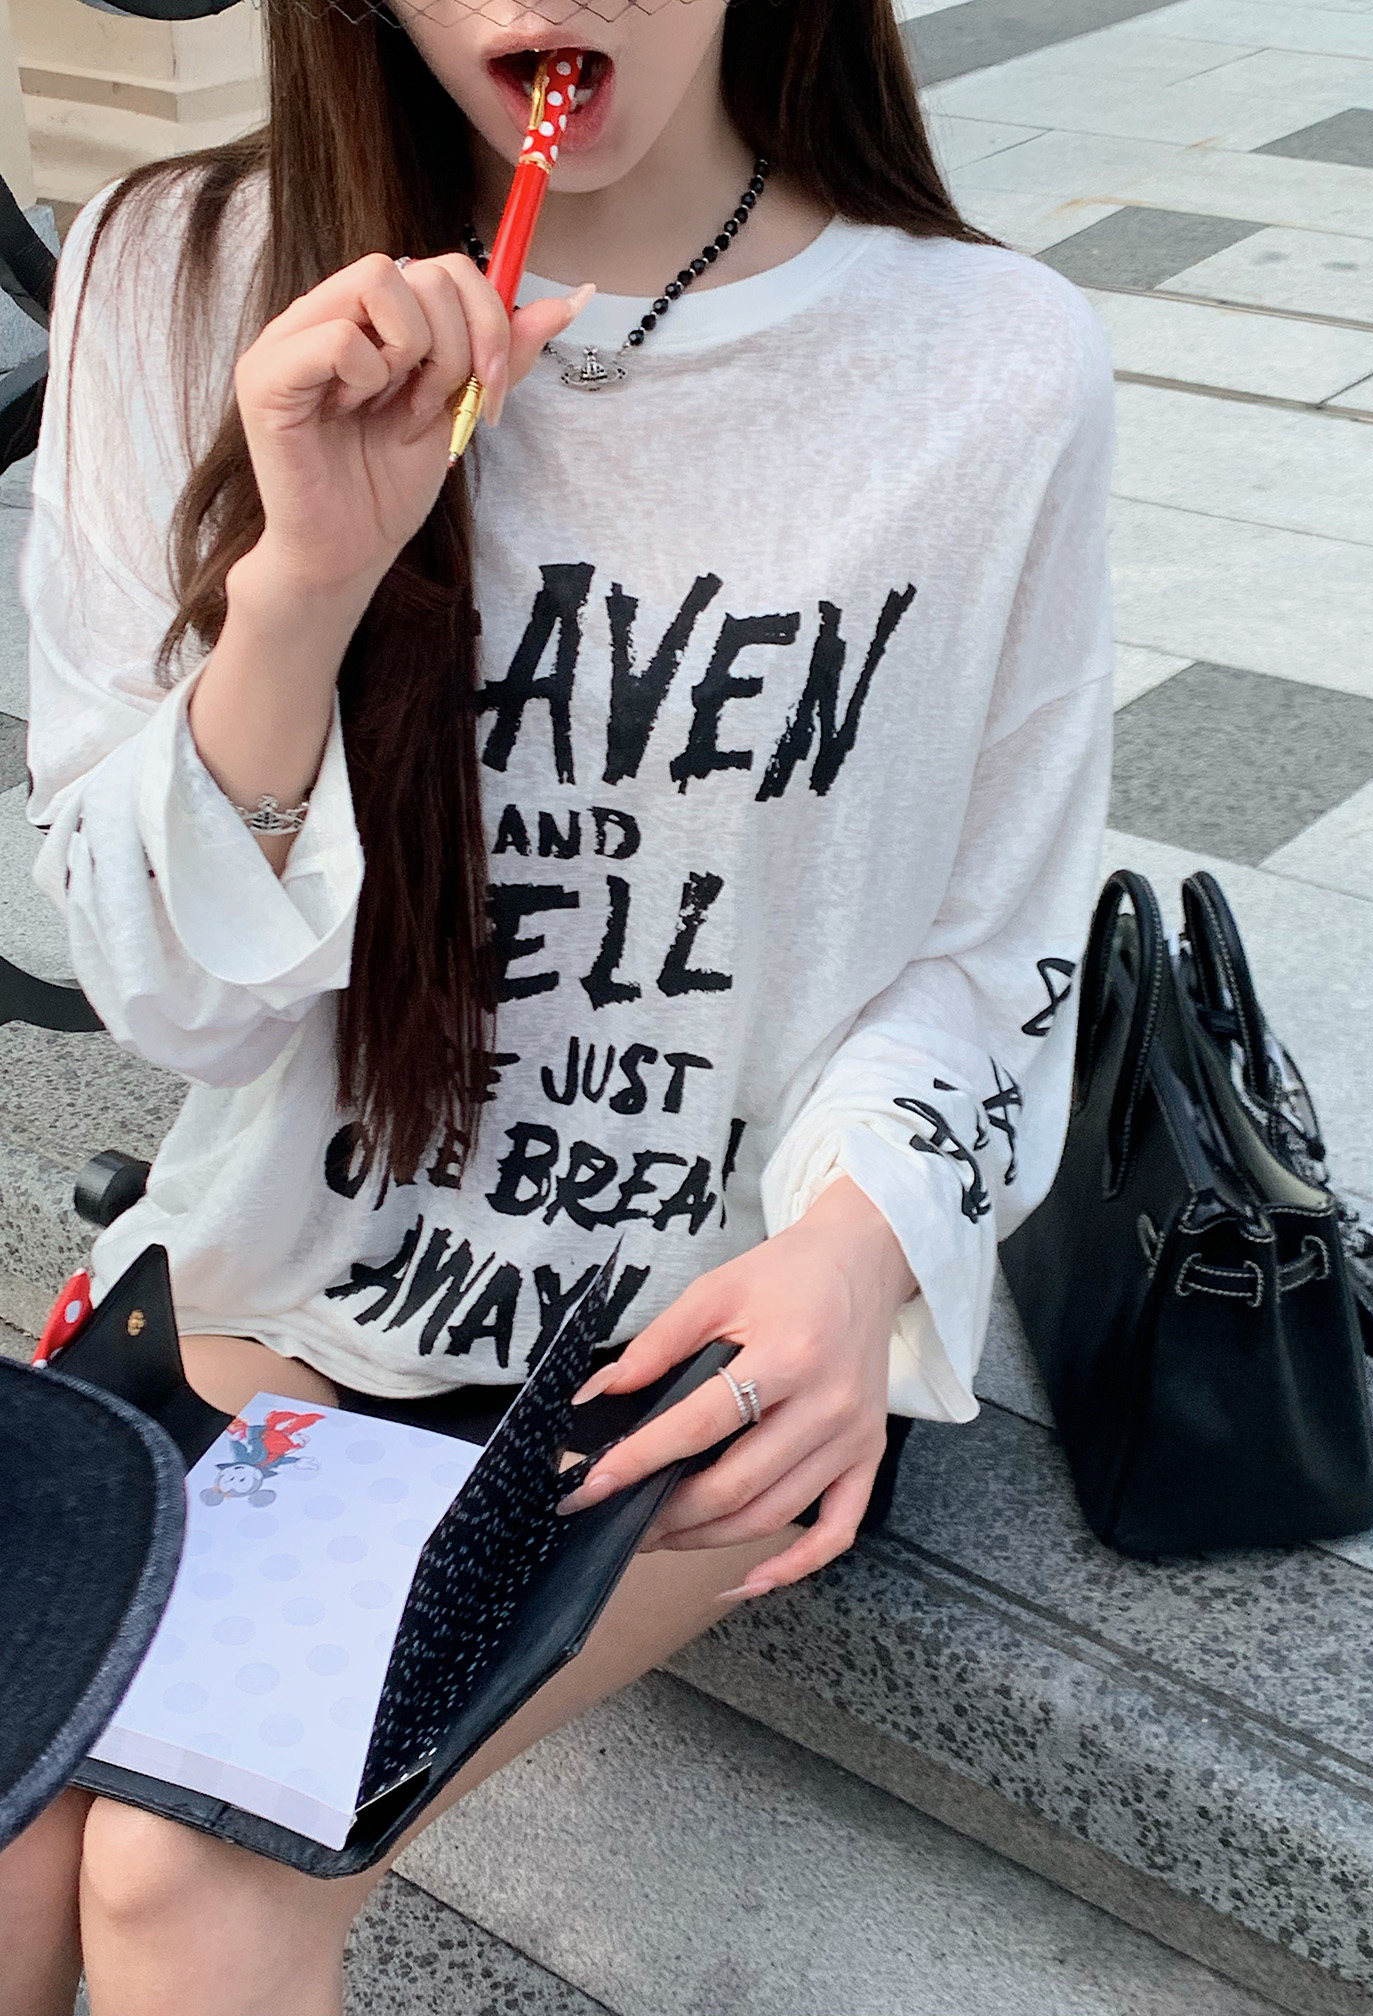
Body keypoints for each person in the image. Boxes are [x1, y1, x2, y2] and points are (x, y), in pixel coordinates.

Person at [2, 0, 1113, 2008]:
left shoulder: (986, 358)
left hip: (685, 1339)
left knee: (193, 1873)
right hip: (285, 1272)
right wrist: (300, 589)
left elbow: (998, 941)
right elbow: (178, 1006)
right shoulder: (175, 275)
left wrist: (855, 1257)